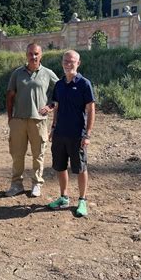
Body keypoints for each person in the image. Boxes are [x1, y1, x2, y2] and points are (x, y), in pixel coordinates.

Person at [5, 43, 59, 197]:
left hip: (38, 120)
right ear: (26, 55)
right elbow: (9, 96)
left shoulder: (47, 73)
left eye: (36, 53)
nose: (33, 57)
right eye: (30, 54)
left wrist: (51, 106)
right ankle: (16, 184)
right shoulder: (17, 73)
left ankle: (36, 183)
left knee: (38, 154)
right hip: (18, 120)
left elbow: (61, 91)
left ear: (41, 55)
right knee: (17, 154)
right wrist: (10, 118)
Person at [47, 50, 95, 217]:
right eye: (66, 60)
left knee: (81, 168)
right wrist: (53, 128)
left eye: (72, 61)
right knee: (60, 166)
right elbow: (56, 107)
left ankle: (82, 200)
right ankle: (64, 197)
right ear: (62, 63)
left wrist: (87, 134)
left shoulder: (84, 84)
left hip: (77, 135)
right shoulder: (59, 85)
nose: (68, 63)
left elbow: (91, 110)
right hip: (60, 133)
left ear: (78, 63)